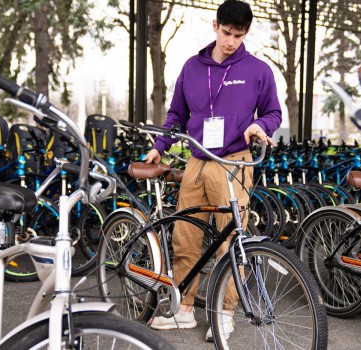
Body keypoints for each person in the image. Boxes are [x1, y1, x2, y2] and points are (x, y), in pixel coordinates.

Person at [144, 0, 282, 341]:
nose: (231, 40)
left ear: (246, 33)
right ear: (214, 25)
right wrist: (158, 148)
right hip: (195, 162)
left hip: (234, 163)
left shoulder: (258, 70)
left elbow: (273, 113)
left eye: (239, 35)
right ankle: (185, 308)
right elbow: (175, 115)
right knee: (185, 238)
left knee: (232, 242)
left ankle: (224, 313)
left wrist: (259, 126)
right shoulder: (192, 67)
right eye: (226, 32)